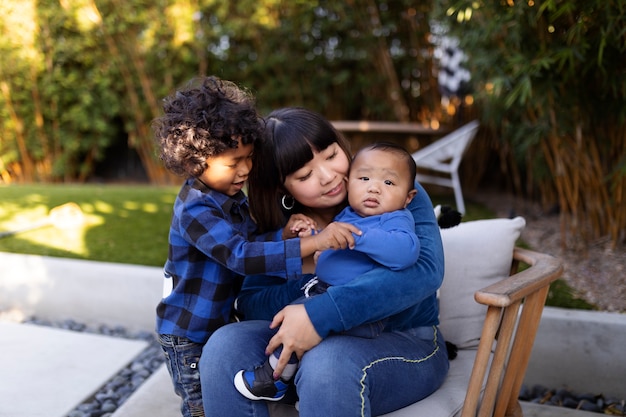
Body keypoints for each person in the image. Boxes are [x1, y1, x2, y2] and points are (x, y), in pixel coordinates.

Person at [199, 107, 450, 417]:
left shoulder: (389, 183)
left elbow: (425, 271)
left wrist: (320, 313)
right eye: (304, 175)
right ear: (282, 187)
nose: (329, 176)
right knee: (224, 346)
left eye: (332, 156)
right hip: (292, 353)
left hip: (403, 339)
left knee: (327, 363)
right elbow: (251, 302)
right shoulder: (284, 224)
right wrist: (307, 268)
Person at [152, 81, 359, 417]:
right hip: (189, 334)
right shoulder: (195, 210)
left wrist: (285, 235)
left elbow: (253, 244)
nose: (245, 170)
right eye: (233, 163)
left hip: (219, 323)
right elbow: (240, 256)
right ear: (194, 163)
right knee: (201, 406)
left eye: (248, 159)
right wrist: (315, 242)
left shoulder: (232, 199)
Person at [233, 142, 421, 401]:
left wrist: (357, 236)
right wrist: (316, 240)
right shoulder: (350, 213)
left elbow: (405, 252)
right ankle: (285, 383)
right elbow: (249, 300)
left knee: (307, 330)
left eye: (388, 184)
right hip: (324, 292)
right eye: (364, 178)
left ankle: (276, 380)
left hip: (356, 309)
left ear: (408, 197)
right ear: (351, 180)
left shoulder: (394, 218)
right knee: (290, 323)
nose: (374, 187)